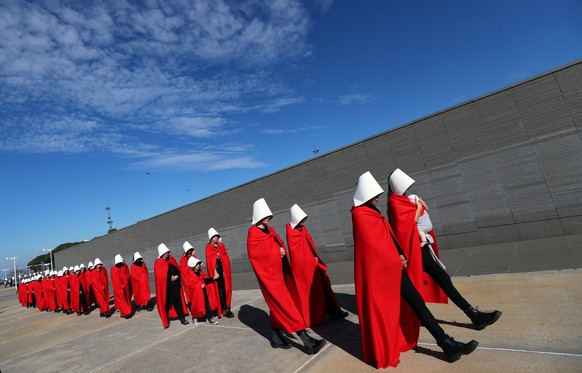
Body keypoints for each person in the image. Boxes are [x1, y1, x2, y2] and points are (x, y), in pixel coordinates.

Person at [352, 171, 478, 368]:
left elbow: (388, 236)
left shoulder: (371, 211)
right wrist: (396, 258)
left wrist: (400, 254)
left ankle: (447, 344)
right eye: (374, 194)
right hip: (383, 273)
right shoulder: (360, 214)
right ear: (366, 194)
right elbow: (373, 246)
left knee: (417, 302)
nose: (378, 197)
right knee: (414, 304)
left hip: (393, 268)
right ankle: (448, 344)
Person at [388, 168, 502, 330]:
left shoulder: (400, 200)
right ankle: (473, 315)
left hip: (418, 246)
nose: (408, 189)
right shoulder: (394, 203)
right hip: (413, 249)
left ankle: (473, 314)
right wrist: (419, 208)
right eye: (405, 186)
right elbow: (406, 226)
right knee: (440, 278)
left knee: (441, 278)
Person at [247, 198, 325, 354]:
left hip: (280, 272)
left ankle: (276, 338)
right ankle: (307, 341)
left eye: (269, 214)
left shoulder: (270, 230)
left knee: (278, 307)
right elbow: (257, 255)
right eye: (264, 214)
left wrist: (279, 250)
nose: (268, 217)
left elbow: (277, 244)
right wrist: (278, 252)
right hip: (270, 277)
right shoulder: (253, 234)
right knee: (287, 306)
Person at [285, 204, 348, 327]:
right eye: (301, 218)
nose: (303, 220)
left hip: (314, 264)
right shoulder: (291, 232)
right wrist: (310, 259)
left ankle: (334, 311)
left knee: (325, 286)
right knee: (314, 291)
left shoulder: (302, 229)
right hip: (305, 267)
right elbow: (296, 252)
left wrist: (314, 257)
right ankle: (321, 315)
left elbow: (308, 245)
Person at [154, 243, 189, 328]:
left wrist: (177, 276)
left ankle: (182, 318)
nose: (167, 254)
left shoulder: (171, 259)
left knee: (177, 302)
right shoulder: (158, 263)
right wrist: (170, 278)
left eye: (167, 252)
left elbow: (177, 269)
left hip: (175, 286)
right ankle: (166, 319)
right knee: (166, 303)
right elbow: (159, 276)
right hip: (166, 288)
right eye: (165, 253)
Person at [206, 228, 234, 318]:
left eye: (217, 236)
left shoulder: (221, 246)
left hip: (223, 269)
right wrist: (214, 272)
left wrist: (225, 271)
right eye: (214, 237)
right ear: (210, 238)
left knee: (226, 289)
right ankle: (225, 308)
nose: (216, 238)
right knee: (220, 290)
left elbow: (225, 259)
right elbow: (210, 261)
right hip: (216, 271)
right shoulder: (208, 247)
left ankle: (226, 307)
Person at [184, 256, 220, 325]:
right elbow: (191, 285)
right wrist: (199, 286)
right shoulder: (190, 274)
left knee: (207, 304)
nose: (198, 266)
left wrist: (213, 279)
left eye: (199, 264)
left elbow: (205, 279)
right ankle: (195, 317)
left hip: (203, 291)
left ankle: (211, 318)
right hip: (196, 293)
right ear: (193, 265)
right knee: (196, 306)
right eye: (197, 264)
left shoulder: (200, 272)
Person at [110, 254, 134, 319]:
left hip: (126, 286)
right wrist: (120, 285)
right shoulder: (113, 269)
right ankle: (127, 312)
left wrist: (126, 283)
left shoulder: (124, 267)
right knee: (122, 300)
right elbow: (114, 279)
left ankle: (124, 313)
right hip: (119, 288)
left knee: (127, 299)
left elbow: (127, 275)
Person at [180, 241, 197, 307]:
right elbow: (185, 269)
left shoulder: (193, 255)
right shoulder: (183, 259)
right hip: (188, 279)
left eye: (191, 250)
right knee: (190, 293)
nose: (190, 251)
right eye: (189, 250)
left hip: (194, 278)